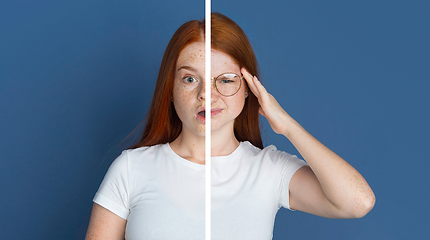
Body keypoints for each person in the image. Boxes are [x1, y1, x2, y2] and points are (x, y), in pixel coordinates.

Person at [85, 13, 375, 240]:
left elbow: (357, 202)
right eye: (189, 79)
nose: (205, 95)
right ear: (170, 88)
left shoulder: (269, 170)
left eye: (224, 80)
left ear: (249, 88)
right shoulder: (131, 168)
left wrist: (286, 125)